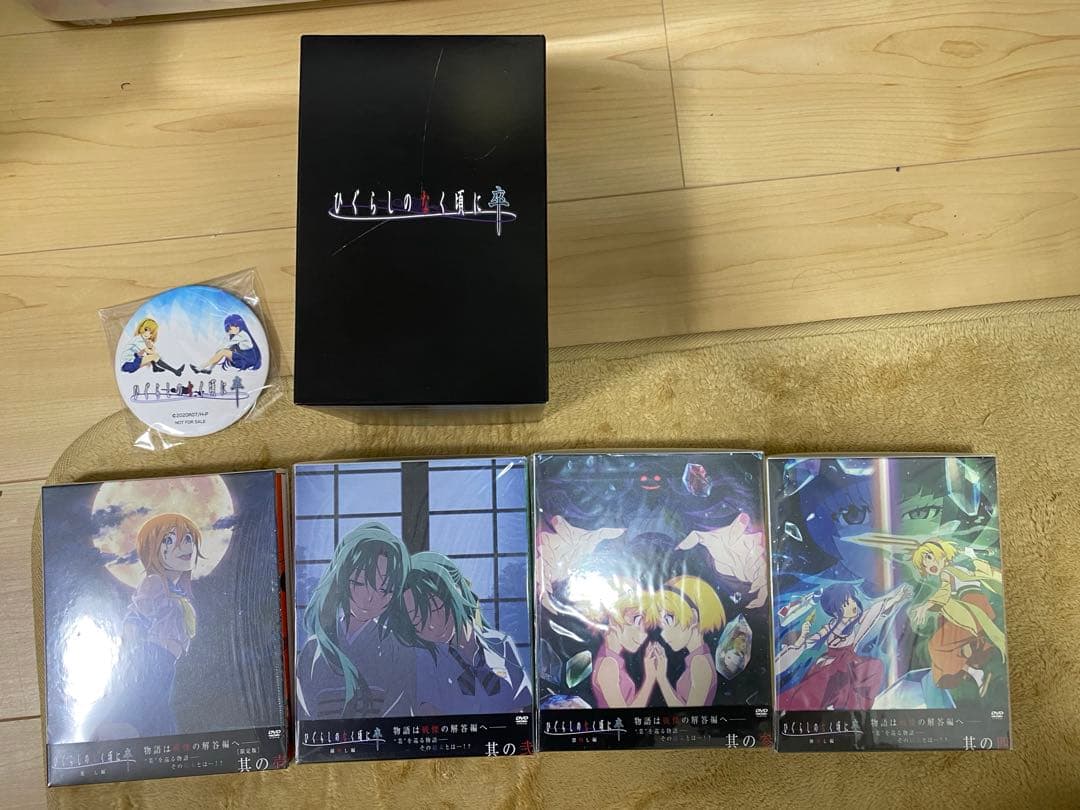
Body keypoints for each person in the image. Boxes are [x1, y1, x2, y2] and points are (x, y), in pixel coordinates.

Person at [92, 513, 203, 739]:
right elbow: (137, 615)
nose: (184, 546)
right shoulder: (155, 582)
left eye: (188, 538)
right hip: (153, 655)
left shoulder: (176, 589)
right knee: (148, 705)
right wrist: (133, 650)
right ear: (152, 550)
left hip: (166, 659)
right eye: (169, 540)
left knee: (154, 706)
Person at [296, 523, 416, 719]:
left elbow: (399, 713)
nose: (369, 598)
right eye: (360, 583)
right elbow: (304, 717)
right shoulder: (313, 650)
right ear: (341, 580)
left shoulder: (397, 649)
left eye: (384, 590)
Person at [395, 552, 531, 715]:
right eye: (416, 618)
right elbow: (429, 713)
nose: (430, 625)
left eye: (435, 607)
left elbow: (521, 706)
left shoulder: (501, 644)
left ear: (456, 592)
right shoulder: (425, 658)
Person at [776, 581, 912, 710]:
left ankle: (850, 707)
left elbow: (874, 611)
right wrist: (803, 636)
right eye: (846, 604)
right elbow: (811, 641)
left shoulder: (856, 621)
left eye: (853, 600)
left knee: (875, 666)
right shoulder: (831, 627)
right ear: (835, 611)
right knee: (817, 689)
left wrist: (896, 598)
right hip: (832, 666)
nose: (853, 605)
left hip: (851, 663)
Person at [908, 539, 1005, 697]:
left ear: (942, 554)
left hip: (972, 608)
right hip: (978, 608)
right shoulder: (959, 569)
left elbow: (944, 592)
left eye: (930, 557)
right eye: (924, 565)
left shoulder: (947, 572)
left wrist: (926, 606)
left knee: (935, 645)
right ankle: (973, 668)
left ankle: (973, 666)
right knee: (945, 638)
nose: (929, 565)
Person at [644, 575, 725, 707]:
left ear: (693, 618)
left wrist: (662, 678)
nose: (663, 634)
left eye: (668, 620)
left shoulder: (700, 662)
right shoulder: (698, 658)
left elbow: (689, 714)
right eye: (662, 625)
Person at [195, 314, 262, 374]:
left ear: (240, 325)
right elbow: (225, 345)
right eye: (228, 328)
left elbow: (226, 345)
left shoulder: (242, 335)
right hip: (245, 359)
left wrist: (218, 351)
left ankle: (201, 367)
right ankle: (209, 369)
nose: (231, 329)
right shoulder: (238, 335)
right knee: (222, 351)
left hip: (247, 361)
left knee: (223, 352)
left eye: (234, 325)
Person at [119, 317, 183, 376]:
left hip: (132, 361)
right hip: (128, 364)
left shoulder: (142, 339)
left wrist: (151, 347)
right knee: (154, 356)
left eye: (151, 333)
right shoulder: (138, 339)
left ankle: (155, 367)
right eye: (146, 329)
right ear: (141, 328)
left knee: (151, 353)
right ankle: (175, 372)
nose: (148, 333)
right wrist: (156, 354)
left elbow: (146, 351)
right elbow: (147, 351)